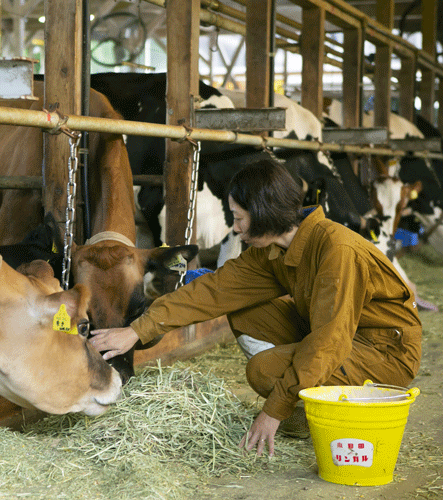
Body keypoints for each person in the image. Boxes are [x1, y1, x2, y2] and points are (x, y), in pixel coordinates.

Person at [89, 159, 422, 457]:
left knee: (263, 371)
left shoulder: (337, 252)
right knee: (244, 309)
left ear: (263, 212)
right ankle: (305, 394)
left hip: (384, 352)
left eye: (238, 218)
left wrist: (274, 410)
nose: (234, 229)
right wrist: (137, 329)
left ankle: (313, 418)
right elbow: (215, 290)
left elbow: (328, 342)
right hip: (340, 336)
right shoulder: (273, 251)